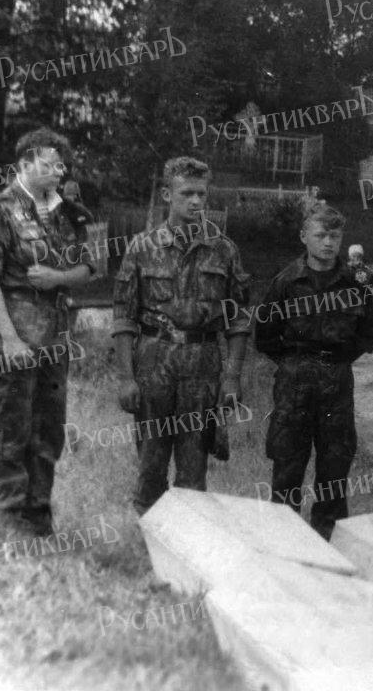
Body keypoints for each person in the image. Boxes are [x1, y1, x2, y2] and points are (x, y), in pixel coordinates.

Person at [0, 128, 96, 536]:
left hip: (54, 340)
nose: (58, 172)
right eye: (49, 165)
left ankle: (38, 513)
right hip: (15, 337)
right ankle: (7, 516)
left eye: (61, 166)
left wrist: (58, 277)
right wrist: (9, 339)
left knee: (49, 429)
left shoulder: (67, 213)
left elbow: (87, 268)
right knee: (14, 429)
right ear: (24, 164)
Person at [112, 157, 251, 515]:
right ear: (166, 195)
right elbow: (124, 318)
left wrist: (232, 378)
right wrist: (126, 378)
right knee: (150, 469)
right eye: (187, 193)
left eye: (201, 194)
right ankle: (151, 540)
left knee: (193, 475)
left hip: (202, 368)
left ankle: (188, 544)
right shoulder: (141, 248)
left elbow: (238, 320)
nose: (196, 201)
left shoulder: (223, 250)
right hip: (153, 365)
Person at [254, 200, 373, 539]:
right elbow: (265, 335)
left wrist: (336, 359)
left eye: (334, 236)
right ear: (303, 237)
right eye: (320, 235)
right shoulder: (286, 282)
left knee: (335, 469)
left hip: (337, 383)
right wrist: (295, 361)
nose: (328, 242)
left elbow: (368, 335)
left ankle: (328, 541)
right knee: (287, 468)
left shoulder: (355, 284)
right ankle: (285, 544)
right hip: (294, 384)